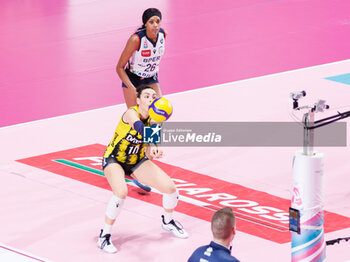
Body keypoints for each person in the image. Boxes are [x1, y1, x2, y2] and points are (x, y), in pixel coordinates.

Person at [97, 85, 188, 253]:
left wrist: (154, 149)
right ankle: (104, 235)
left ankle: (167, 222)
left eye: (154, 96)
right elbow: (140, 128)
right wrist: (153, 140)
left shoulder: (155, 120)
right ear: (138, 100)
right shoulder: (131, 113)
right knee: (121, 193)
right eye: (146, 96)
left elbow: (149, 149)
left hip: (136, 161)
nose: (151, 98)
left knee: (171, 188)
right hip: (114, 159)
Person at [116, 8, 166, 108]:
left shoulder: (163, 34)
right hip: (133, 79)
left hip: (151, 77)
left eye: (158, 21)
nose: (155, 25)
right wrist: (132, 88)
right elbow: (119, 68)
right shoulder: (136, 39)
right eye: (151, 22)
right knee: (135, 117)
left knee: (160, 110)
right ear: (145, 24)